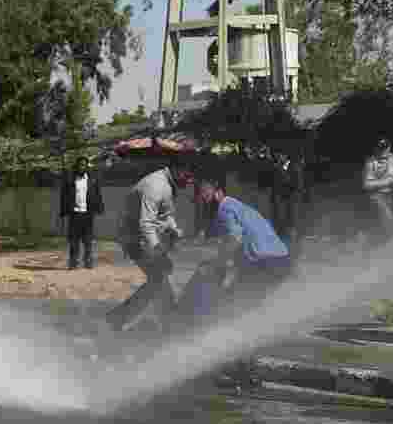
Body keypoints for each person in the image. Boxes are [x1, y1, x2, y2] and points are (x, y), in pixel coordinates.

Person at [185, 171, 293, 387]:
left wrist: (219, 265)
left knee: (237, 310)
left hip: (265, 263)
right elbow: (227, 239)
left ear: (216, 190)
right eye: (196, 194)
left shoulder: (225, 209)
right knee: (242, 309)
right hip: (277, 260)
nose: (199, 197)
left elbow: (234, 238)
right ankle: (244, 366)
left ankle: (243, 368)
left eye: (201, 192)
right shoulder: (236, 206)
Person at [106, 162, 182, 333]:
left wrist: (174, 228)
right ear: (179, 168)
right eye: (189, 175)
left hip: (142, 238)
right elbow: (146, 223)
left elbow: (165, 214)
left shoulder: (167, 184)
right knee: (159, 278)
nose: (191, 181)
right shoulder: (156, 186)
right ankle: (119, 317)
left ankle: (168, 320)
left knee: (161, 278)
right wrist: (157, 249)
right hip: (136, 239)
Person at [60, 156, 105, 269]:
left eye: (84, 165)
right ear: (76, 166)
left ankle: (88, 261)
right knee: (74, 239)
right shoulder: (70, 179)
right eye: (80, 165)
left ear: (86, 167)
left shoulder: (92, 179)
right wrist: (63, 211)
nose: (82, 167)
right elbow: (64, 196)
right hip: (74, 213)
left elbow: (97, 194)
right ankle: (73, 262)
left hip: (88, 214)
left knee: (88, 239)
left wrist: (99, 208)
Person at [362, 138, 393, 244]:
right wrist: (388, 182)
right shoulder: (370, 162)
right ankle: (389, 241)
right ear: (375, 149)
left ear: (389, 148)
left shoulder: (391, 157)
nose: (383, 151)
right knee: (388, 217)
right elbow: (366, 185)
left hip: (390, 193)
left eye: (386, 148)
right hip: (376, 195)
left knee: (388, 219)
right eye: (380, 148)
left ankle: (381, 239)